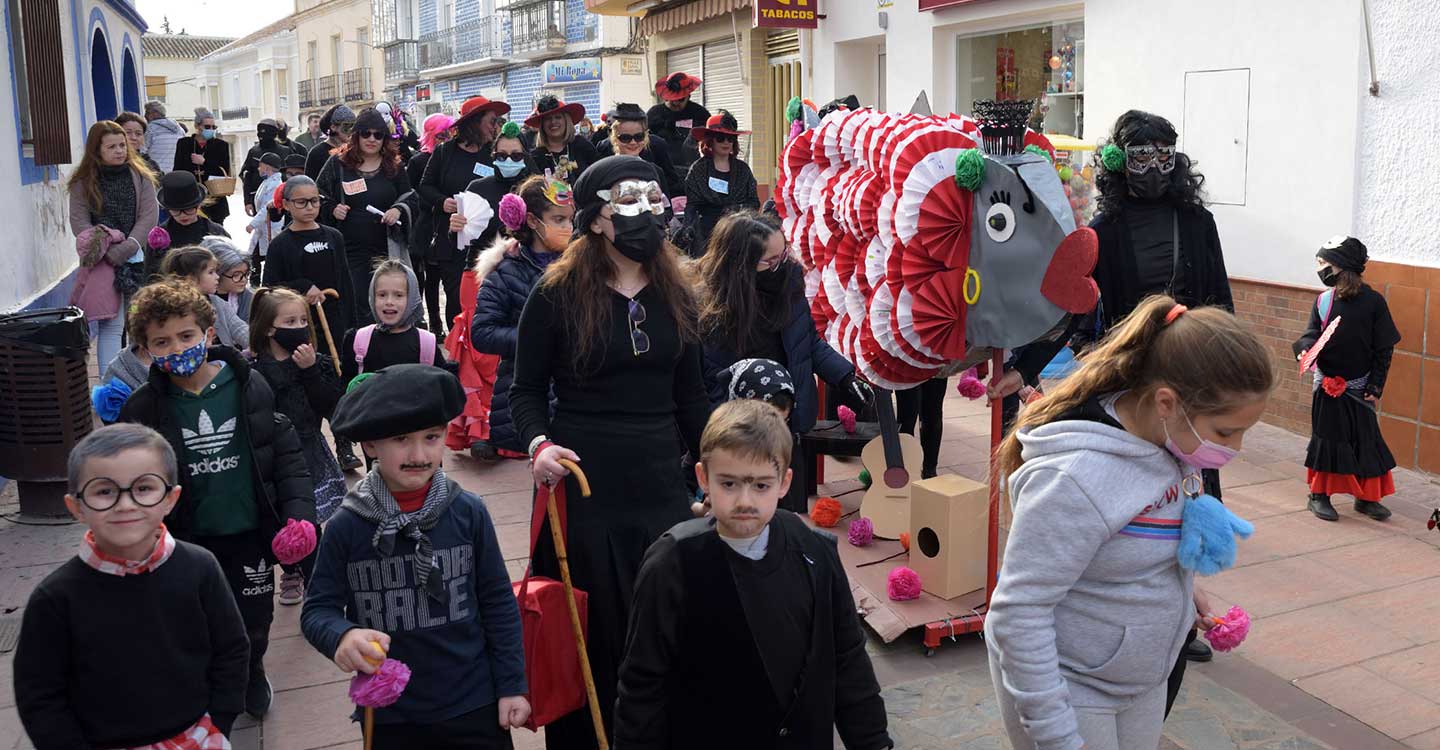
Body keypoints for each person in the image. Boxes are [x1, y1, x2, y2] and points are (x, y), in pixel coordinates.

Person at [987, 297, 1274, 750]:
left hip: (1140, 681)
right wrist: (1056, 734)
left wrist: (1180, 592)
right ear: (1166, 402)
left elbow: (1138, 537)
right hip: (1070, 687)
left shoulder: (1170, 440)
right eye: (1225, 431)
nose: (1235, 448)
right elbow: (1018, 613)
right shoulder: (1075, 478)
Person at [512, 155, 710, 749]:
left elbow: (692, 397)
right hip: (583, 484)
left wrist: (723, 468)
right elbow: (523, 391)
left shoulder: (680, 293)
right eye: (631, 203)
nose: (649, 216)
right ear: (596, 219)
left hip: (660, 485)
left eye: (656, 202)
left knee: (664, 625)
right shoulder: (555, 293)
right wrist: (539, 444)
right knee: (591, 634)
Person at [614, 400, 892, 749]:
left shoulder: (815, 551)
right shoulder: (672, 565)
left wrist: (872, 740)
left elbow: (848, 656)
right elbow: (641, 686)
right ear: (703, 477)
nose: (745, 501)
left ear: (784, 481)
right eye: (729, 484)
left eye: (760, 485)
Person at [118, 278, 317, 720]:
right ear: (146, 350)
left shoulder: (251, 386)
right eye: (162, 341)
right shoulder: (143, 408)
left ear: (209, 334)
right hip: (188, 540)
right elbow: (130, 485)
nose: (177, 347)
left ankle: (251, 671)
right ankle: (212, 679)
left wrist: (298, 517)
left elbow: (285, 457)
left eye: (187, 336)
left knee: (253, 620)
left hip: (248, 532)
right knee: (197, 619)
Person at [301, 364, 529, 748]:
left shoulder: (468, 512)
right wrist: (342, 636)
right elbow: (317, 609)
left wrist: (512, 684)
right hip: (390, 713)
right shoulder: (348, 525)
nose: (419, 454)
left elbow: (497, 602)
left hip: (473, 702)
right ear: (370, 445)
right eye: (401, 439)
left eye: (432, 437)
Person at [14, 424, 251, 749]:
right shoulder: (55, 599)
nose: (125, 504)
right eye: (104, 491)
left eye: (143, 488)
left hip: (198, 738)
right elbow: (38, 693)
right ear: (76, 506)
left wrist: (220, 720)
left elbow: (232, 649)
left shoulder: (200, 568)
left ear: (170, 498)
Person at [696, 211, 863, 513]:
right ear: (741, 266)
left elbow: (807, 342)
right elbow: (712, 381)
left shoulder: (790, 280)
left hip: (789, 422)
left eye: (783, 254)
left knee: (787, 517)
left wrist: (844, 375)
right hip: (741, 433)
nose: (780, 265)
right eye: (770, 262)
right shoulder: (714, 308)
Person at [249, 287, 346, 604]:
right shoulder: (255, 370)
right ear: (268, 329)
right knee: (280, 515)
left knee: (308, 517)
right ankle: (291, 570)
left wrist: (310, 372)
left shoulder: (315, 362)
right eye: (289, 321)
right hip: (272, 454)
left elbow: (328, 404)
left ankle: (315, 577)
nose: (300, 327)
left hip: (308, 448)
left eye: (303, 320)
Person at [1294, 236, 1400, 522]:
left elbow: (1383, 348)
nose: (1320, 269)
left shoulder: (1374, 303)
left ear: (1340, 266)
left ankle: (1366, 499)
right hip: (1327, 385)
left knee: (1365, 440)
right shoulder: (1323, 301)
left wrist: (1375, 385)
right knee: (1328, 441)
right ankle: (1318, 496)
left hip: (1360, 386)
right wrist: (1305, 348)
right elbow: (1311, 333)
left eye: (1323, 263)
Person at [469, 174, 572, 458]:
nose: (567, 228)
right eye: (558, 220)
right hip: (528, 394)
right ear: (533, 221)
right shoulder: (505, 272)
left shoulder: (579, 267)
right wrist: (535, 339)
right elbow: (482, 332)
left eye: (569, 220)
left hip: (574, 399)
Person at [67, 120, 159, 373]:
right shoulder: (83, 182)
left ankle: (141, 378)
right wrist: (105, 251)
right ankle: (110, 385)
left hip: (136, 258)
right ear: (97, 150)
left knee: (139, 321)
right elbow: (80, 222)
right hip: (101, 262)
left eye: (122, 145)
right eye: (112, 147)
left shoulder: (140, 176)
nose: (120, 150)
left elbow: (148, 216)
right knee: (112, 324)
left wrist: (128, 246)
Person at [420, 96, 510, 333]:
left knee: (488, 299)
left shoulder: (494, 153)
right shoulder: (444, 152)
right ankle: (459, 351)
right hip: (452, 239)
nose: (495, 126)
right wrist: (443, 202)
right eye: (492, 121)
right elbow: (425, 187)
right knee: (456, 299)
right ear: (474, 122)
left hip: (489, 243)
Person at [318, 107, 413, 326]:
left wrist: (398, 209)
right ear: (356, 135)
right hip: (350, 249)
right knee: (358, 301)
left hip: (386, 248)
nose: (372, 139)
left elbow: (411, 197)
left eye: (378, 134)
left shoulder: (394, 166)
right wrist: (332, 208)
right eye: (366, 133)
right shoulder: (338, 164)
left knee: (386, 302)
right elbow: (317, 194)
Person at [263, 175, 356, 344]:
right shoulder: (280, 244)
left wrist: (351, 324)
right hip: (300, 323)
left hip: (335, 319)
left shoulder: (334, 236)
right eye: (301, 202)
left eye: (314, 201)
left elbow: (345, 282)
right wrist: (302, 287)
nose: (309, 207)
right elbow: (270, 288)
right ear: (286, 204)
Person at [682, 111, 759, 256]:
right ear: (710, 141)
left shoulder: (742, 170)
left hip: (737, 232)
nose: (726, 142)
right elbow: (692, 206)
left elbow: (753, 202)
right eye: (720, 138)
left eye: (730, 138)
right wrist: (688, 229)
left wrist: (737, 212)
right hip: (706, 236)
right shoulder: (698, 169)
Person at [461, 121, 539, 257]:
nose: (509, 161)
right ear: (493, 156)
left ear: (525, 157)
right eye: (502, 156)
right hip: (480, 269)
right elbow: (459, 241)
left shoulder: (536, 191)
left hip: (526, 270)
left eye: (516, 156)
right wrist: (455, 228)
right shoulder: (476, 189)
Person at [408, 112, 454, 329]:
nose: (446, 137)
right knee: (431, 278)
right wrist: (438, 202)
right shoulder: (419, 161)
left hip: (452, 224)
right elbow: (415, 193)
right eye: (441, 134)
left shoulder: (452, 156)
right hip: (429, 226)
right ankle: (434, 323)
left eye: (449, 132)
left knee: (449, 278)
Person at [160, 244, 249, 351]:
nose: (217, 277)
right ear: (191, 279)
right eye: (211, 272)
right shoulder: (172, 308)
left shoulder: (217, 302)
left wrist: (256, 343)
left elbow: (239, 328)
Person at [596, 103, 682, 199]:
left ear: (645, 136)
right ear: (614, 138)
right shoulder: (602, 172)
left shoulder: (656, 171)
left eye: (638, 137)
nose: (633, 142)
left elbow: (666, 208)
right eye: (625, 138)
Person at [173, 107, 231, 225]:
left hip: (214, 197)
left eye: (213, 127)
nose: (211, 130)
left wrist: (204, 162)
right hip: (190, 197)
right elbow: (177, 170)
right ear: (197, 126)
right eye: (207, 127)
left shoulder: (221, 145)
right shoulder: (184, 144)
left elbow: (224, 171)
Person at [647, 71, 709, 173]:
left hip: (693, 170)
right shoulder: (654, 114)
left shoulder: (700, 114)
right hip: (662, 170)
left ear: (688, 96)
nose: (676, 103)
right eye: (672, 99)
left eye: (680, 99)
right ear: (666, 96)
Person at [526, 95, 597, 183]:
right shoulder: (535, 157)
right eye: (548, 119)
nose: (553, 122)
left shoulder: (582, 145)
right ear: (542, 125)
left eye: (558, 117)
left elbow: (599, 173)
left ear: (566, 120)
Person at [247, 152, 286, 279]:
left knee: (259, 255)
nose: (258, 168)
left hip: (270, 225)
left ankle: (259, 279)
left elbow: (266, 208)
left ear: (268, 168)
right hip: (263, 226)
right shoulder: (268, 181)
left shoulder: (275, 184)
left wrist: (252, 224)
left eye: (261, 166)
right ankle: (256, 278)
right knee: (256, 254)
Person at [241, 119, 291, 216]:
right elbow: (247, 177)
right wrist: (247, 201)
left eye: (266, 131)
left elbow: (291, 175)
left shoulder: (285, 151)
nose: (261, 135)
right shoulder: (253, 152)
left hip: (282, 201)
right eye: (259, 131)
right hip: (258, 199)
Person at [207, 236, 255, 325]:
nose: (243, 280)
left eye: (246, 273)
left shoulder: (249, 298)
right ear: (219, 273)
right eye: (236, 275)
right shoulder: (202, 299)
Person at [306, 104, 357, 181]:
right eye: (346, 125)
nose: (351, 130)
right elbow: (310, 183)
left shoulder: (354, 150)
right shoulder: (316, 153)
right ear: (333, 127)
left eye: (353, 125)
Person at [144, 100, 185, 178]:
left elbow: (142, 151)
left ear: (154, 113)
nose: (145, 116)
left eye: (147, 112)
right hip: (176, 173)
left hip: (156, 174)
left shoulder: (149, 129)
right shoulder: (179, 129)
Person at [115, 110, 161, 176]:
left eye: (138, 134)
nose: (134, 138)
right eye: (128, 132)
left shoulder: (150, 165)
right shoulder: (108, 164)